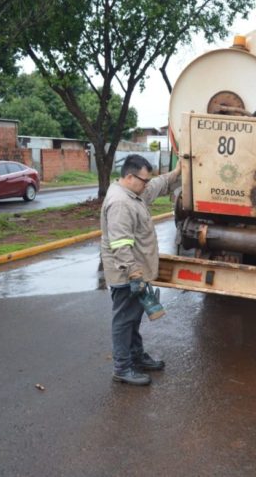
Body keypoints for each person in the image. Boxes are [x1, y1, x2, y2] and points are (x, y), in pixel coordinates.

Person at [100, 154, 180, 386]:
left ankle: (136, 357)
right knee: (124, 321)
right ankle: (122, 368)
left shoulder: (133, 193)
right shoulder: (121, 204)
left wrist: (175, 174)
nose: (146, 184)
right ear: (129, 176)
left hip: (134, 272)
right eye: (143, 180)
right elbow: (120, 244)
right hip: (126, 274)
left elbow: (155, 186)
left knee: (133, 319)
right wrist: (135, 274)